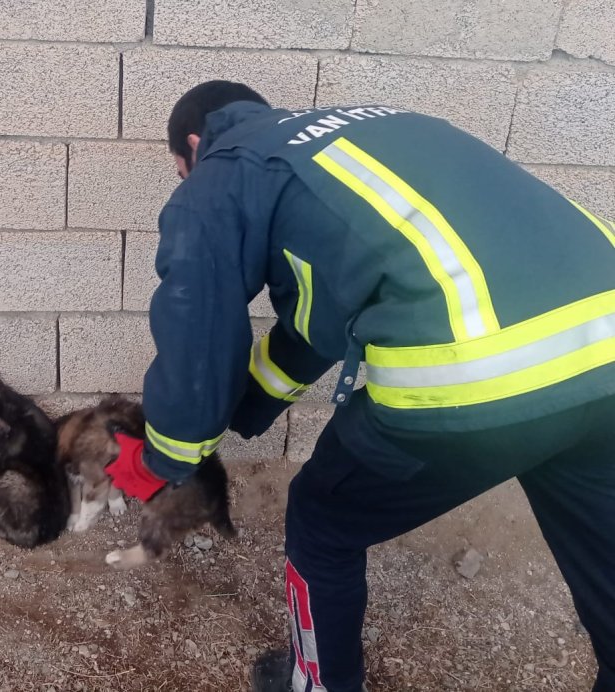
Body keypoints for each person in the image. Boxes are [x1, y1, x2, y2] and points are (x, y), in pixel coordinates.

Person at [103, 80, 615, 692]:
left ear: (193, 145)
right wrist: (248, 406)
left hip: (479, 376)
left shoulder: (222, 172)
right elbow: (317, 324)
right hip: (604, 349)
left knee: (323, 519)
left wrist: (167, 454)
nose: (185, 180)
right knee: (602, 541)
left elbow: (198, 334)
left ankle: (318, 684)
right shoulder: (364, 133)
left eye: (179, 170)